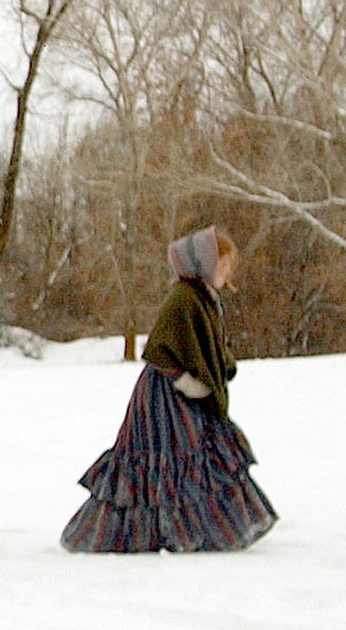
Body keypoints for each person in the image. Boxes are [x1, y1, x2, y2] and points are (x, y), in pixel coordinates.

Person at [61, 226, 277, 553]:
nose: (227, 271)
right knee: (172, 459)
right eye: (222, 263)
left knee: (198, 456)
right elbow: (161, 347)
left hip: (188, 394)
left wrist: (219, 367)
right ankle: (153, 534)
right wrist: (186, 381)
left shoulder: (203, 298)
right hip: (166, 395)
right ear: (204, 262)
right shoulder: (183, 299)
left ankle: (203, 530)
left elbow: (207, 345)